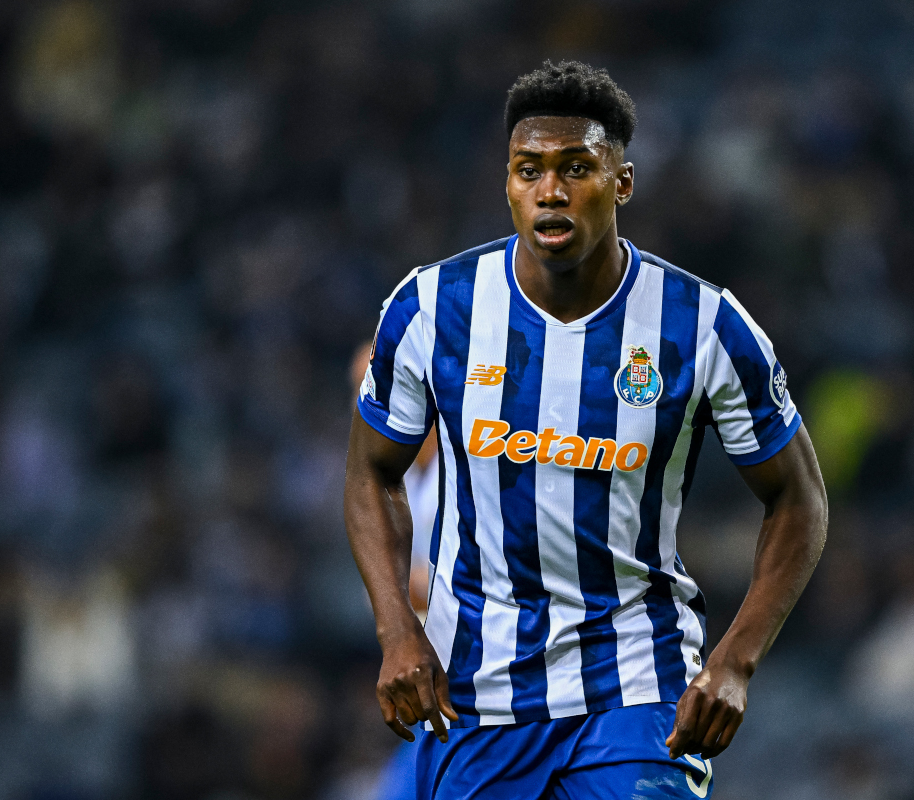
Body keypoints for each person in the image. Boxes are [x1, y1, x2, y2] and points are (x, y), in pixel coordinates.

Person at [343, 60, 828, 799]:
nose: (551, 190)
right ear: (507, 184)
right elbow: (370, 473)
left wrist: (734, 661)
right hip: (478, 697)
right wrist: (395, 630)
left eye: (577, 168)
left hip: (637, 687)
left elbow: (798, 499)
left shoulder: (701, 326)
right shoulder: (431, 308)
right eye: (528, 170)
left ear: (622, 182)